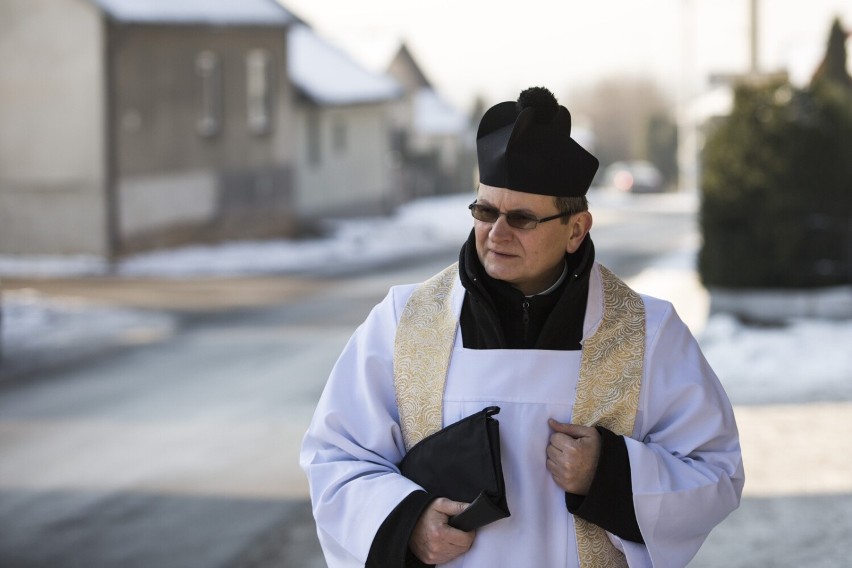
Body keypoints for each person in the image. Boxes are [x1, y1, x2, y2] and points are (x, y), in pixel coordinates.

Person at [300, 86, 744, 567]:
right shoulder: (404, 321)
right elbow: (335, 458)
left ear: (576, 229)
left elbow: (715, 471)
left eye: (522, 218)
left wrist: (610, 474)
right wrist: (409, 521)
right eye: (485, 211)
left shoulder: (646, 333)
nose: (497, 233)